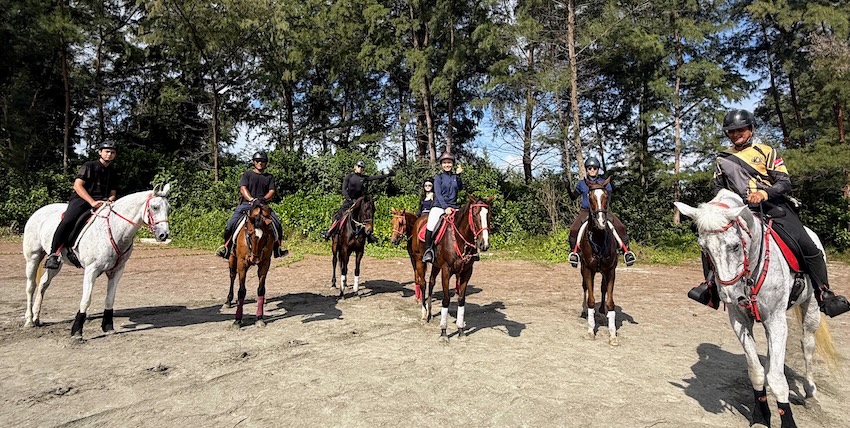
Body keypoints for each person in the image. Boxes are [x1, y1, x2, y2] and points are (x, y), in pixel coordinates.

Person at [689, 108, 849, 317]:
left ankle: (824, 293)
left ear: (751, 129)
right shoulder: (723, 158)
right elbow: (717, 187)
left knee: (806, 243)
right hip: (740, 211)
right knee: (711, 241)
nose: (736, 135)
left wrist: (764, 194)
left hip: (773, 207)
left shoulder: (766, 151)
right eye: (732, 132)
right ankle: (710, 288)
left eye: (741, 130)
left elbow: (784, 182)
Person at [44, 142, 120, 269]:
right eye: (107, 151)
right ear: (100, 152)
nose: (109, 154)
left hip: (101, 203)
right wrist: (92, 202)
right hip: (82, 200)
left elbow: (113, 193)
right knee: (68, 220)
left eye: (112, 152)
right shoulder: (89, 166)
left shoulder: (113, 172)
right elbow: (77, 185)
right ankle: (53, 254)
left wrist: (110, 200)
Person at [567, 157, 636, 268]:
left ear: (598, 169)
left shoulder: (604, 182)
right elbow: (573, 197)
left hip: (603, 211)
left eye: (595, 168)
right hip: (586, 211)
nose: (592, 170)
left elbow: (615, 192)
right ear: (586, 169)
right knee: (574, 229)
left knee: (621, 227)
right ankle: (574, 254)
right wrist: (568, 189)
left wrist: (613, 184)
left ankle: (627, 252)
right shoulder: (581, 184)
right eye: (590, 168)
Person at [216, 151, 285, 259]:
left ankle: (277, 249)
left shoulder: (269, 177)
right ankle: (227, 248)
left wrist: (263, 199)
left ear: (266, 163)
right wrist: (252, 199)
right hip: (247, 204)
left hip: (262, 205)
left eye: (263, 161)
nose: (260, 163)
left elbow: (272, 191)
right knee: (231, 224)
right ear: (254, 162)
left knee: (277, 224)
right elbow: (243, 188)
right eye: (258, 161)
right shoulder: (247, 174)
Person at [321, 160, 394, 241]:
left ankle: (369, 236)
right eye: (359, 167)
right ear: (355, 167)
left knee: (367, 214)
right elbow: (344, 190)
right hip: (349, 201)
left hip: (360, 201)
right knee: (339, 215)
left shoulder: (363, 178)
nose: (360, 168)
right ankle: (329, 231)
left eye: (362, 167)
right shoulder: (349, 177)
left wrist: (388, 175)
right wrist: (349, 200)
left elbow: (374, 177)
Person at [422, 152, 464, 263]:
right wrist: (445, 208)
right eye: (445, 163)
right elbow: (439, 194)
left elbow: (460, 188)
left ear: (452, 164)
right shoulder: (438, 177)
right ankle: (428, 251)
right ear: (441, 165)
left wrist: (459, 176)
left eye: (449, 162)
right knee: (431, 225)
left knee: (466, 223)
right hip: (439, 206)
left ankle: (469, 250)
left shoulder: (455, 177)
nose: (447, 165)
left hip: (454, 207)